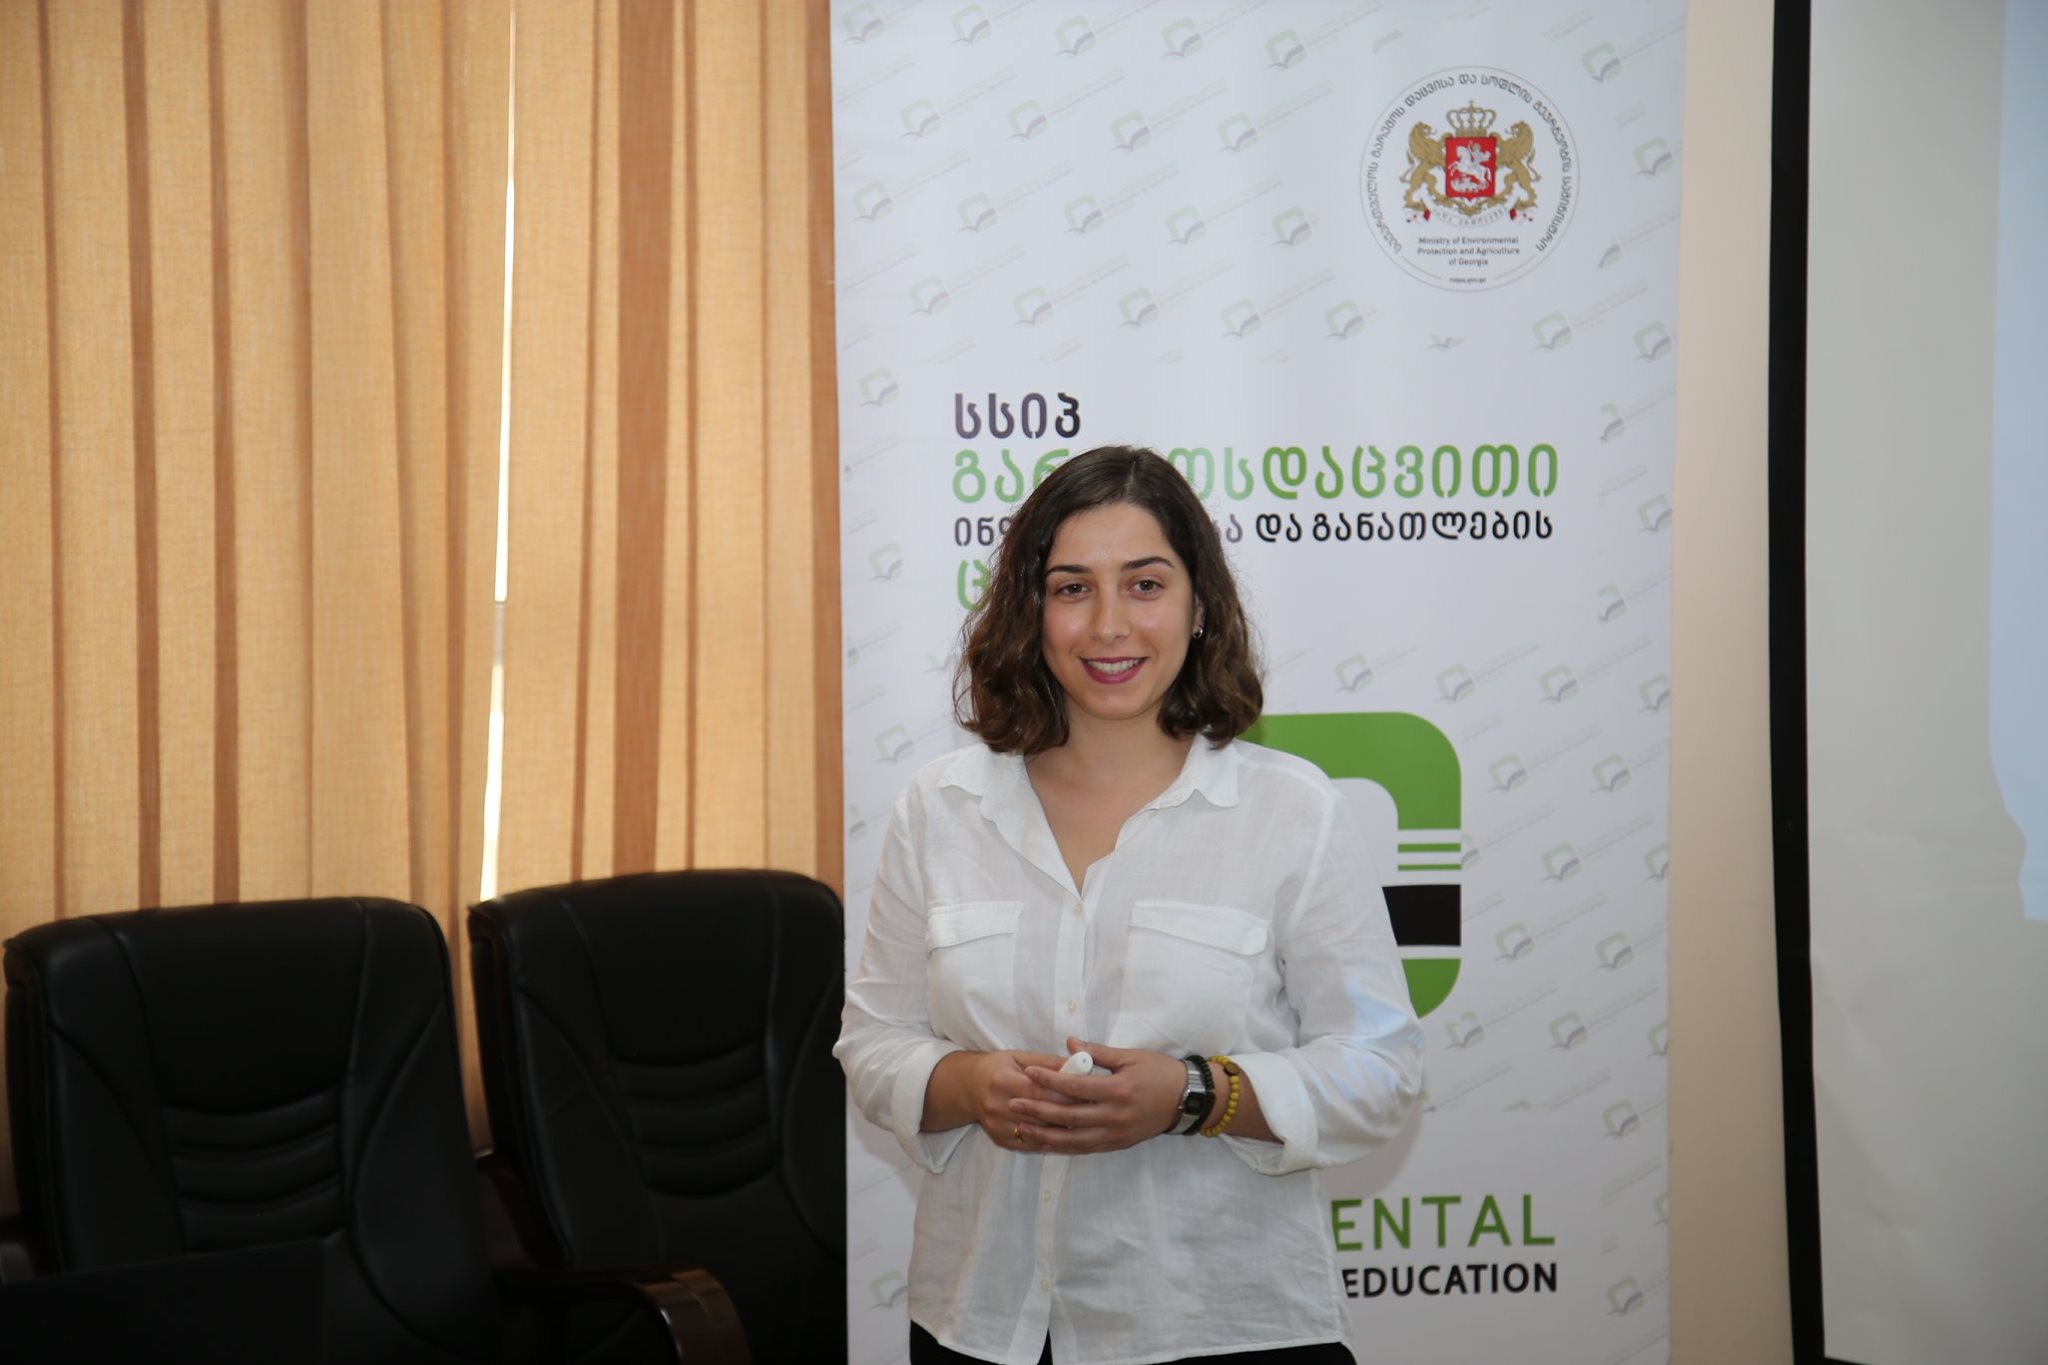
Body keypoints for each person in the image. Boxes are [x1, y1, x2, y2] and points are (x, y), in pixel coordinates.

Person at [836, 446, 1423, 1365]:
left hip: (1226, 1328)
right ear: (1030, 610)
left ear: (1200, 606)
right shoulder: (939, 807)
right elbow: (874, 1043)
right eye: (1072, 588)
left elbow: (1379, 1071)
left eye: (1145, 584)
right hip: (983, 1322)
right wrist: (972, 1085)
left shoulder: (1293, 812)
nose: (1109, 624)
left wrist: (1195, 1095)